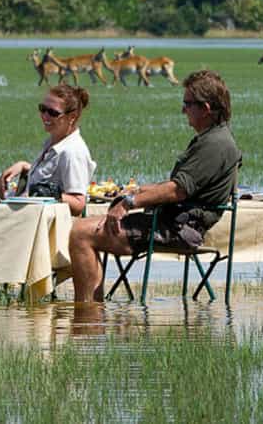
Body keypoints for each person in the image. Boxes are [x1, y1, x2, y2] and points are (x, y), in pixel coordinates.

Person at [68, 69, 241, 303]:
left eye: (188, 103)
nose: (183, 109)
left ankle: (87, 313)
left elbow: (177, 190)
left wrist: (129, 203)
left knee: (80, 233)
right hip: (170, 221)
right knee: (82, 228)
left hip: (177, 230)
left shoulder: (215, 144)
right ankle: (93, 309)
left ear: (206, 109)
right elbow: (177, 185)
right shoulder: (213, 138)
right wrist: (138, 191)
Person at [0, 84, 96, 217]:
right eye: (42, 109)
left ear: (72, 117)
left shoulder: (72, 152)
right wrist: (25, 167)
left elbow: (79, 204)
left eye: (53, 113)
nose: (45, 116)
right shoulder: (53, 141)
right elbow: (49, 176)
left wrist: (52, 194)